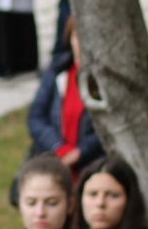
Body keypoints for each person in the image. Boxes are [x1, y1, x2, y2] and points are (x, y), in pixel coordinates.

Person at [25, 18, 100, 169]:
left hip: (90, 163)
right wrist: (59, 148)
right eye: (77, 36)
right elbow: (36, 117)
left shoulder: (104, 81)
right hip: (52, 159)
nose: (82, 43)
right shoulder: (57, 72)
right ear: (70, 39)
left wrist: (81, 152)